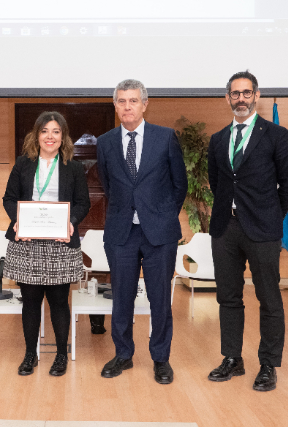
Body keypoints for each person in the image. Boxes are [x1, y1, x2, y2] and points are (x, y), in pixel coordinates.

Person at [207, 70, 288, 392]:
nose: (241, 99)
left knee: (269, 298)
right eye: (236, 93)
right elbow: (216, 182)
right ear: (228, 98)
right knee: (228, 297)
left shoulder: (277, 135)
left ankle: (268, 365)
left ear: (257, 96)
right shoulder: (218, 139)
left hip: (263, 229)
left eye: (247, 93)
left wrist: (271, 212)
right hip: (224, 229)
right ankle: (233, 358)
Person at [96, 79, 187, 384]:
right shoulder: (106, 141)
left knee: (159, 298)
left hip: (158, 233)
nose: (127, 106)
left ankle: (160, 358)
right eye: (121, 101)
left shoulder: (165, 138)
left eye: (133, 101)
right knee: (121, 297)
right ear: (115, 105)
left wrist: (159, 216)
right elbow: (108, 185)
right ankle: (123, 354)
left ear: (145, 104)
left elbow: (179, 184)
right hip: (121, 232)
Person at [3, 111, 90, 376]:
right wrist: (17, 220)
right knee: (29, 302)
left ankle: (61, 355)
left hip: (60, 243)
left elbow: (83, 202)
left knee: (59, 302)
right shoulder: (23, 164)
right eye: (44, 131)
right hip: (27, 241)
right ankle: (30, 354)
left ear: (63, 137)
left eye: (55, 131)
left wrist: (71, 221)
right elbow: (9, 198)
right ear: (36, 135)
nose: (49, 137)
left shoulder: (73, 167)